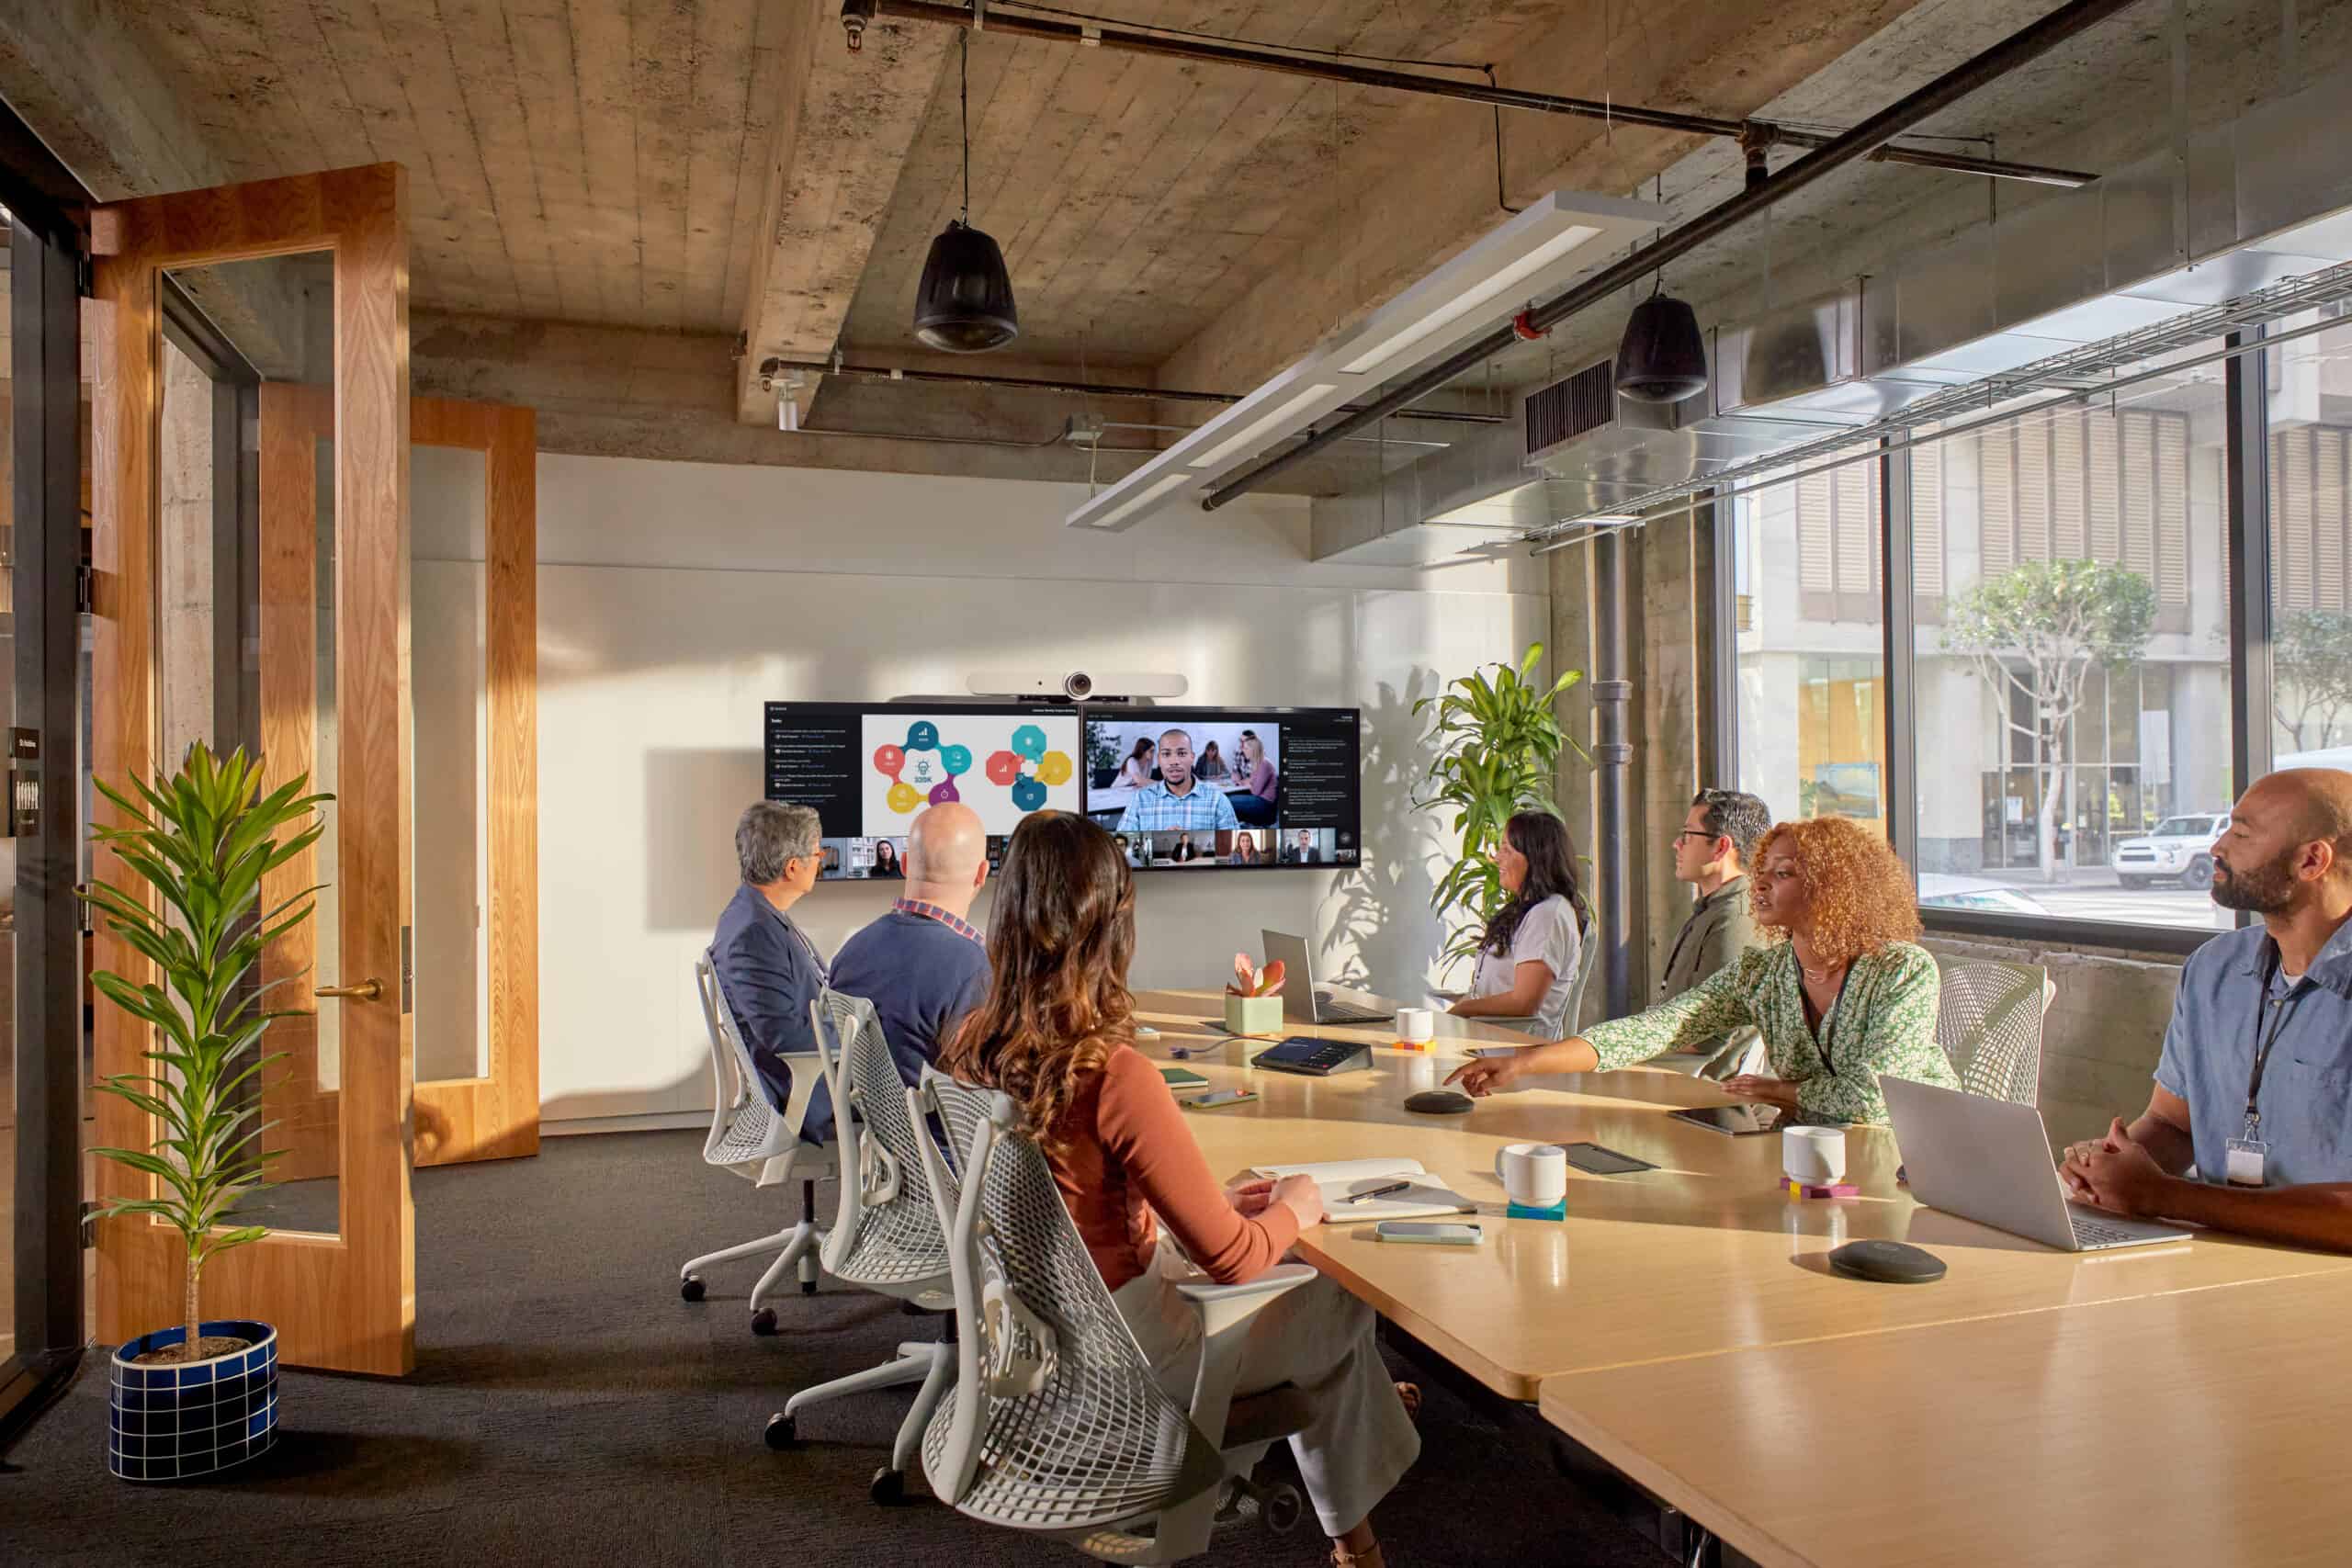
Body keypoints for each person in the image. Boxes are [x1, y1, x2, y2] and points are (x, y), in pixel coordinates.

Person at [942, 815, 1419, 1568]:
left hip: (1049, 1333)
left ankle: (1358, 1537)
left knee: (1308, 1308)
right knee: (1335, 1293)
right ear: (1110, 927)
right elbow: (1233, 1263)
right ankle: (1356, 1538)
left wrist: (1214, 1201)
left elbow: (1082, 1204)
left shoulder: (971, 1047)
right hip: (1138, 1358)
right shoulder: (1114, 1075)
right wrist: (1296, 1203)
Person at [1447, 817, 1954, 1125]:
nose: (1761, 886)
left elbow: (1874, 1099)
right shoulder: (1762, 973)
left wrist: (1780, 1091)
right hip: (1809, 1152)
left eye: (1784, 874)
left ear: (1835, 889)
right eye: (1764, 872)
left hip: (1912, 1160)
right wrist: (1524, 1064)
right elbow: (1657, 1027)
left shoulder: (1902, 971)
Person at [2061, 769, 2352, 1251]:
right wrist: (2107, 1172)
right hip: (2213, 1257)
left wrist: (2164, 1197)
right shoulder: (2214, 968)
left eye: (2241, 833)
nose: (2217, 846)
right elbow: (2173, 1125)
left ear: (2311, 860)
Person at [827, 803, 992, 1117]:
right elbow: (978, 1099)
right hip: (949, 1155)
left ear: (903, 863)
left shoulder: (850, 953)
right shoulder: (975, 968)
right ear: (982, 873)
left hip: (878, 1142)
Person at [710, 802, 831, 1138]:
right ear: (793, 867)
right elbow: (784, 1036)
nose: (821, 862)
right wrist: (859, 1041)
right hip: (810, 1094)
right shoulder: (753, 934)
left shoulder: (754, 913)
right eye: (819, 855)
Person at [1656, 788, 1772, 1079]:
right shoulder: (1716, 907)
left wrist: (1618, 1046)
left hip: (1702, 1092)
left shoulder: (1738, 918)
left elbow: (1706, 1037)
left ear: (1721, 847)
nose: (1676, 845)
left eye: (1687, 835)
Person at [1446, 811, 1589, 1041]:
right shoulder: (1528, 910)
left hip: (1516, 1056)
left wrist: (1463, 1010)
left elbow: (1523, 1003)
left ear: (1535, 858)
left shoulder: (1548, 915)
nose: (1496, 858)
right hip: (1486, 1045)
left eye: (1507, 850)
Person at [1114, 728, 1239, 834]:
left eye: (1181, 753)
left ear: (1192, 758)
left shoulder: (1218, 800)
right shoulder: (1140, 799)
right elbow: (1121, 849)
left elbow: (1234, 853)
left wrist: (1197, 848)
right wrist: (1159, 844)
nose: (1174, 761)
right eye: (1166, 754)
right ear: (1159, 760)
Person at [1235, 729, 1279, 828]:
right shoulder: (1257, 763)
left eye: (1245, 748)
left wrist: (1249, 783)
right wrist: (1249, 782)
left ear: (1252, 749)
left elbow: (1255, 791)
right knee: (1229, 800)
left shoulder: (1264, 763)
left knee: (1230, 801)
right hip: (1260, 800)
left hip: (1265, 804)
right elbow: (1251, 781)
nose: (1242, 750)